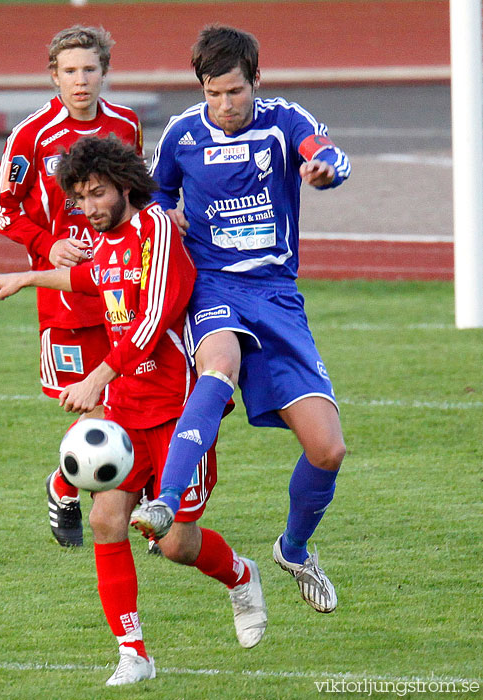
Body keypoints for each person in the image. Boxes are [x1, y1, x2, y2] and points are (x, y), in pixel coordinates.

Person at [0, 136, 268, 686]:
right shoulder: (106, 242)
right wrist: (27, 277)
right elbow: (89, 279)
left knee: (178, 544)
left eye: (98, 194)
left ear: (125, 186)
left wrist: (97, 377)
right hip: (125, 415)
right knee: (106, 520)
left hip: (179, 415)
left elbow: (156, 315)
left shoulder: (156, 230)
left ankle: (239, 575)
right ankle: (133, 653)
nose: (88, 207)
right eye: (81, 197)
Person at [131, 25, 350, 614]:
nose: (224, 105)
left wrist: (324, 170)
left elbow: (327, 154)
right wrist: (163, 214)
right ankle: (166, 501)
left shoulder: (283, 121)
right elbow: (153, 193)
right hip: (213, 287)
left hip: (277, 295)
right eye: (213, 94)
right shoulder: (181, 132)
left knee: (328, 450)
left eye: (234, 91)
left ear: (256, 80)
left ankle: (294, 550)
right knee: (220, 361)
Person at [0, 26, 143, 547]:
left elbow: (138, 195)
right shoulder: (32, 135)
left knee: (133, 395)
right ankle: (65, 484)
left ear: (105, 72)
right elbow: (1, 206)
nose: (81, 80)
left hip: (123, 284)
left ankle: (129, 504)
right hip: (63, 296)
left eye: (90, 69)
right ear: (53, 75)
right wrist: (45, 243)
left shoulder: (125, 124)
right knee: (91, 406)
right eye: (70, 71)